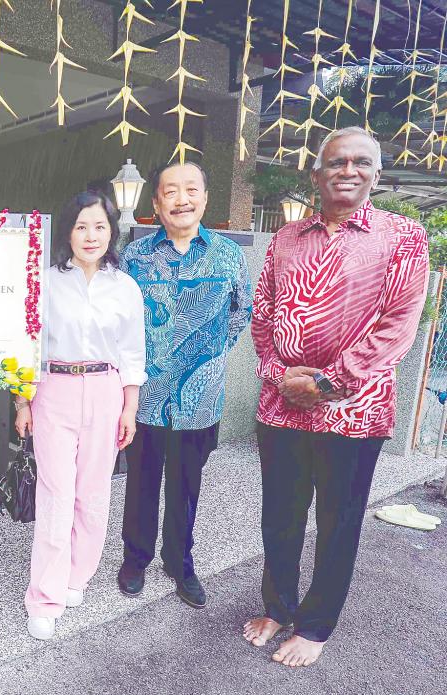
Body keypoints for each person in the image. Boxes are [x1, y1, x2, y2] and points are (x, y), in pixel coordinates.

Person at [243, 126, 429, 667]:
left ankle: (316, 625)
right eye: (337, 162)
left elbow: (398, 325)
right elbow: (263, 315)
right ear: (317, 174)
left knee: (337, 521)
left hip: (354, 410)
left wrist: (326, 383)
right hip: (280, 408)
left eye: (361, 162)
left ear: (376, 173)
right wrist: (281, 376)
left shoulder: (402, 236)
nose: (348, 170)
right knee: (279, 516)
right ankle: (277, 605)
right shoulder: (286, 239)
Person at [117, 161, 252, 608]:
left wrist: (207, 356)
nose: (181, 199)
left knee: (186, 484)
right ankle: (135, 559)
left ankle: (180, 562)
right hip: (146, 397)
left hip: (200, 397)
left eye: (190, 189)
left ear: (205, 199)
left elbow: (240, 312)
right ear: (155, 203)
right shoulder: (133, 258)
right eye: (170, 192)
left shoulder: (229, 255)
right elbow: (119, 320)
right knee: (141, 482)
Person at [16, 191, 146, 640]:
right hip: (55, 390)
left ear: (112, 231)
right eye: (80, 226)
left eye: (99, 226)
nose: (90, 236)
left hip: (107, 391)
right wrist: (22, 401)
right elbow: (28, 346)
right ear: (67, 232)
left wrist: (130, 406)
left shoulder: (125, 287)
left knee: (92, 495)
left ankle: (77, 575)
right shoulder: (46, 281)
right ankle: (44, 597)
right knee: (56, 494)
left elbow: (132, 352)